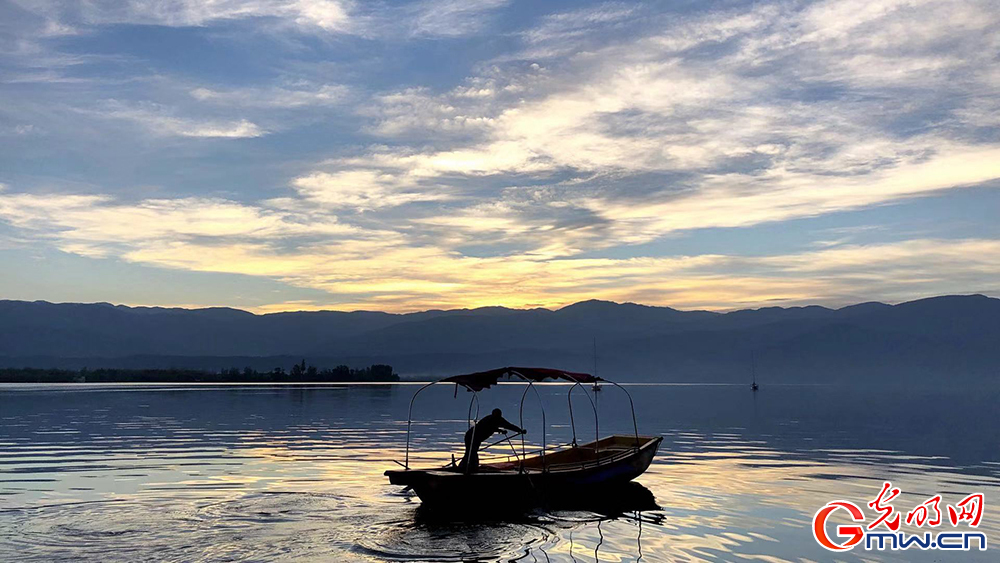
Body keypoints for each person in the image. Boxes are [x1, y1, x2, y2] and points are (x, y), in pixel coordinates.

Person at [458, 408, 525, 473]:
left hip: (477, 439)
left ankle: (467, 467)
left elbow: (509, 426)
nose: (496, 418)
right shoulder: (488, 419)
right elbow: (487, 427)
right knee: (471, 452)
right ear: (493, 415)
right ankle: (469, 467)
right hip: (471, 436)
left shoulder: (499, 420)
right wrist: (499, 430)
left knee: (471, 452)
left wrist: (519, 430)